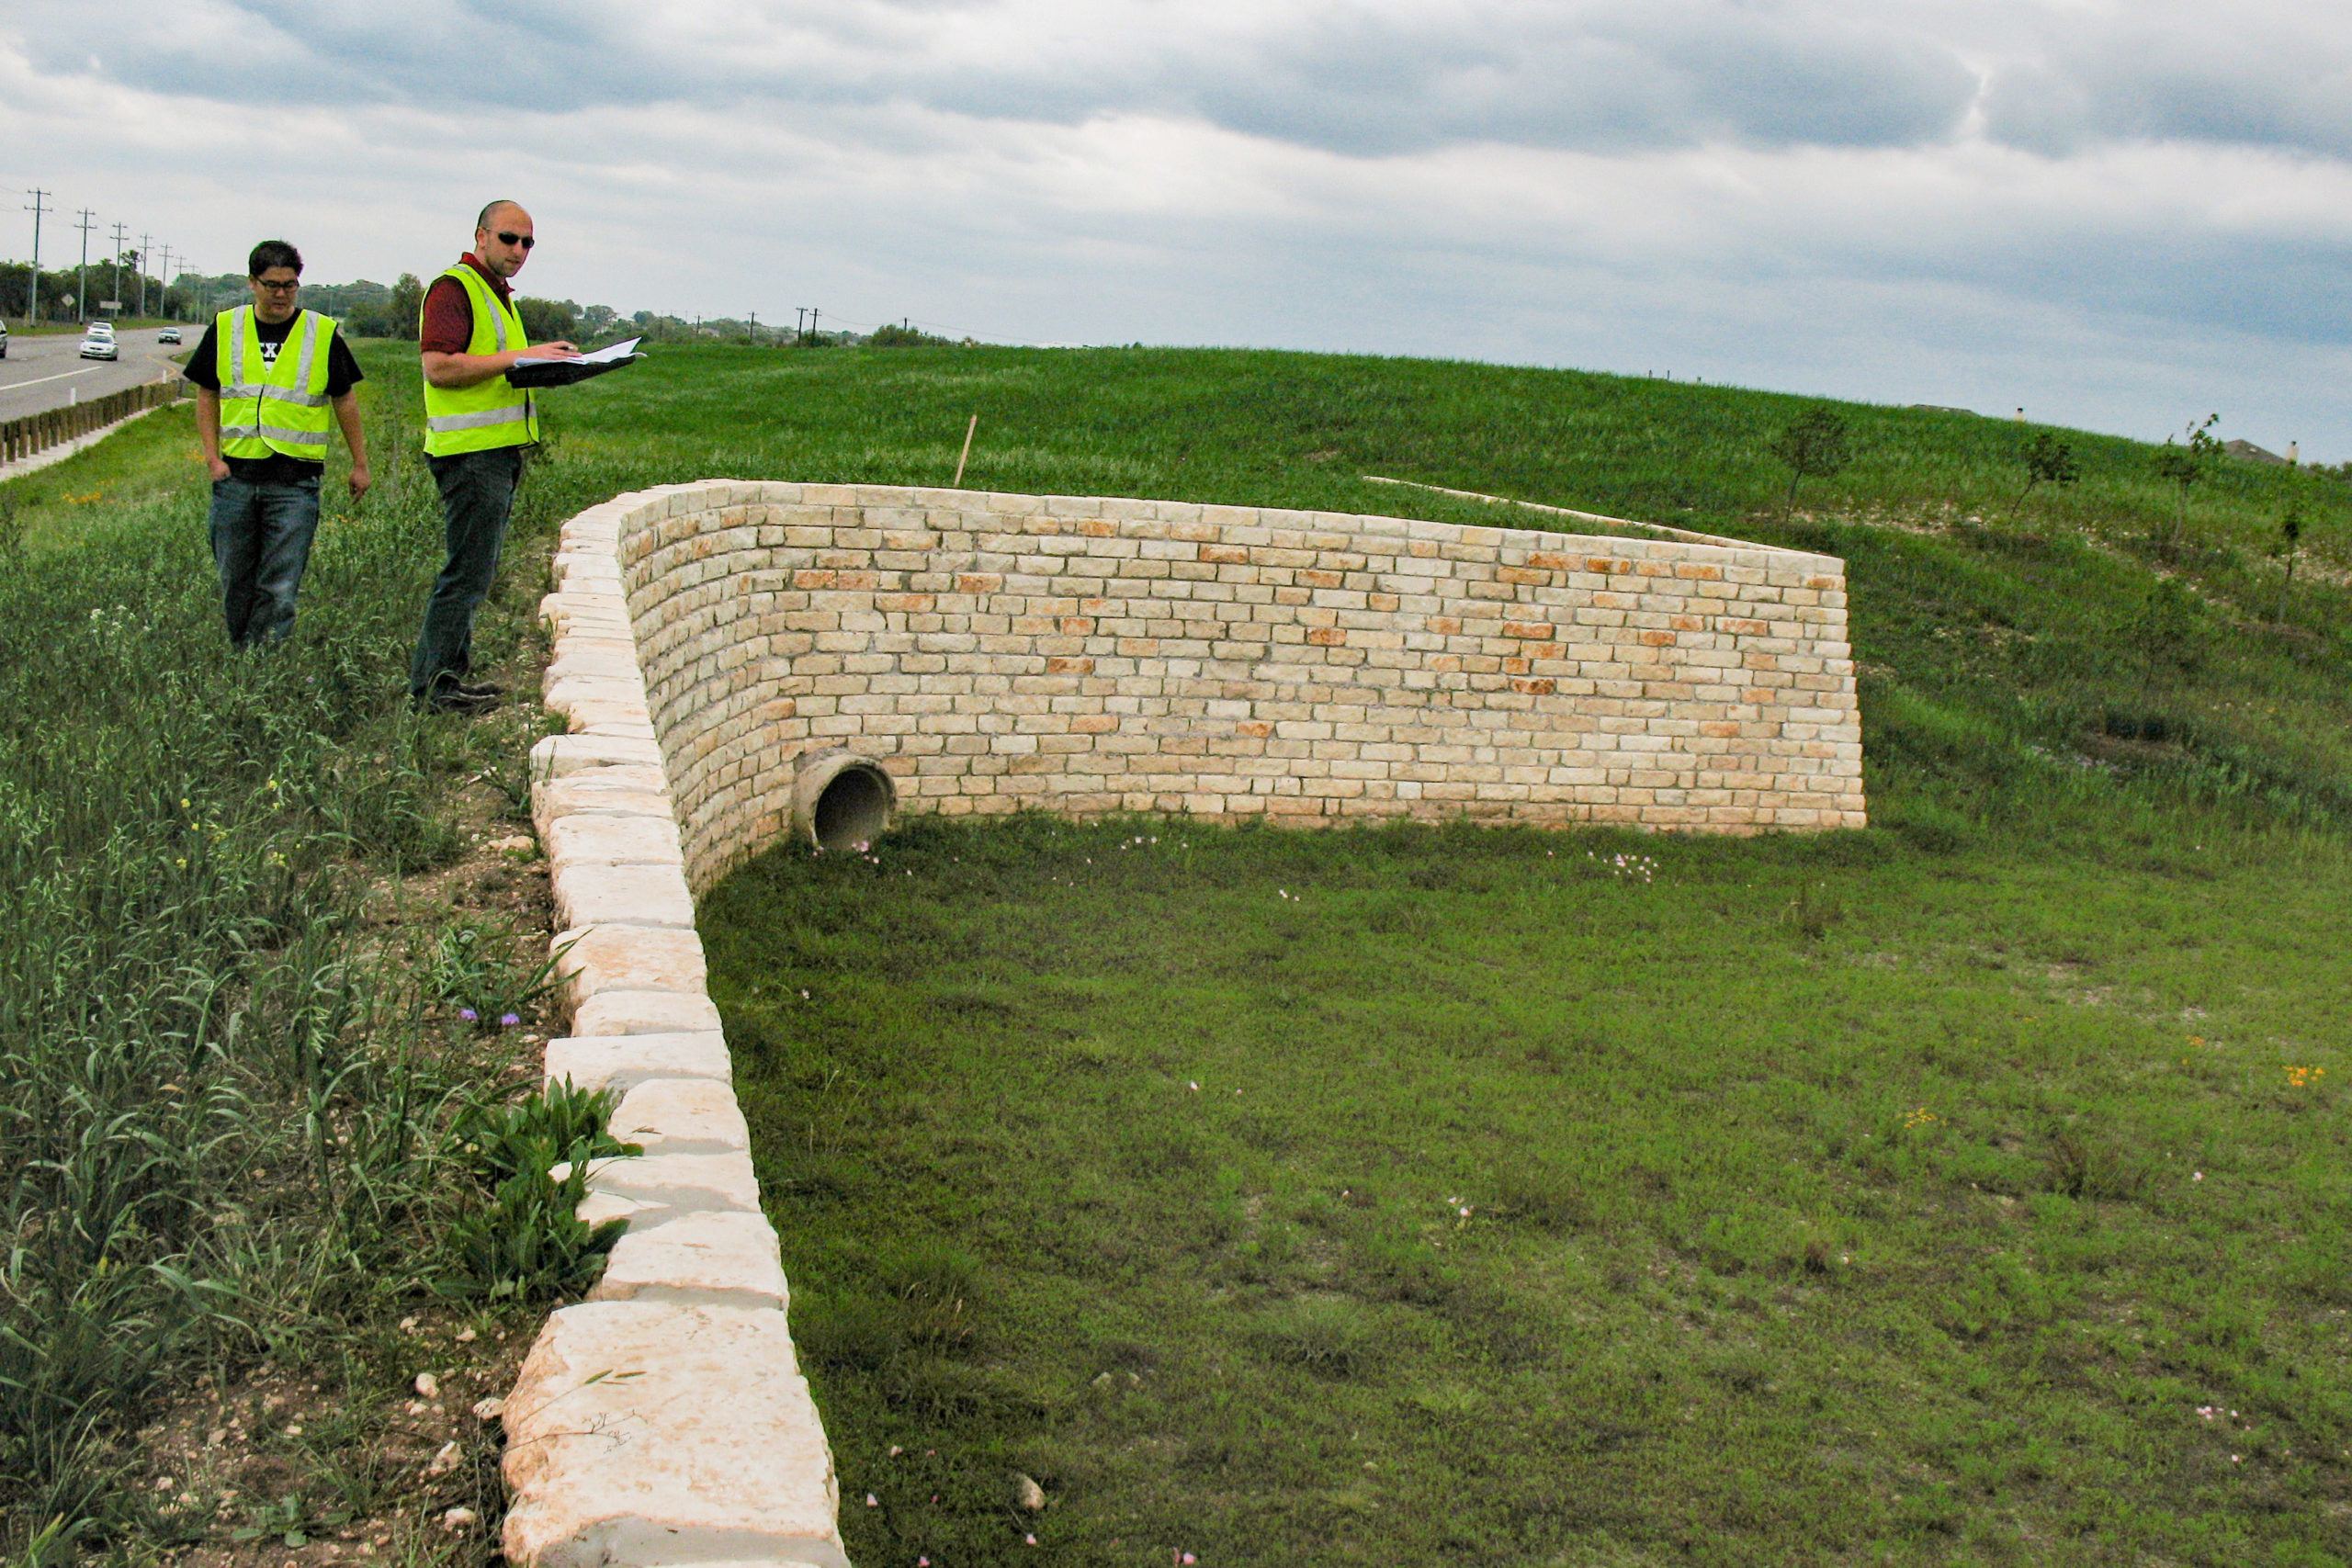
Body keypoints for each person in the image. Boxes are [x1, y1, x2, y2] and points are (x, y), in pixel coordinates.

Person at [410, 199, 579, 713]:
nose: (520, 250)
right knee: (465, 573)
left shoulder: (496, 295)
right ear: (481, 236)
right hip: (470, 455)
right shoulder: (454, 289)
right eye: (509, 239)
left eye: (528, 242)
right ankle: (433, 690)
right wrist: (521, 358)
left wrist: (549, 366)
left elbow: (495, 368)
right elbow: (439, 367)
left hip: (496, 453)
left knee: (475, 572)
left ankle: (449, 678)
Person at [186, 239, 370, 648]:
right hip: (236, 479)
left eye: (290, 285)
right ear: (253, 283)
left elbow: (345, 399)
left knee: (280, 586)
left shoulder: (321, 333)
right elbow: (206, 393)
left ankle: (267, 669)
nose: (282, 294)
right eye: (272, 285)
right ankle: (243, 661)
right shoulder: (227, 327)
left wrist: (360, 463)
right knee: (236, 580)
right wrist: (212, 460)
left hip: (294, 483)